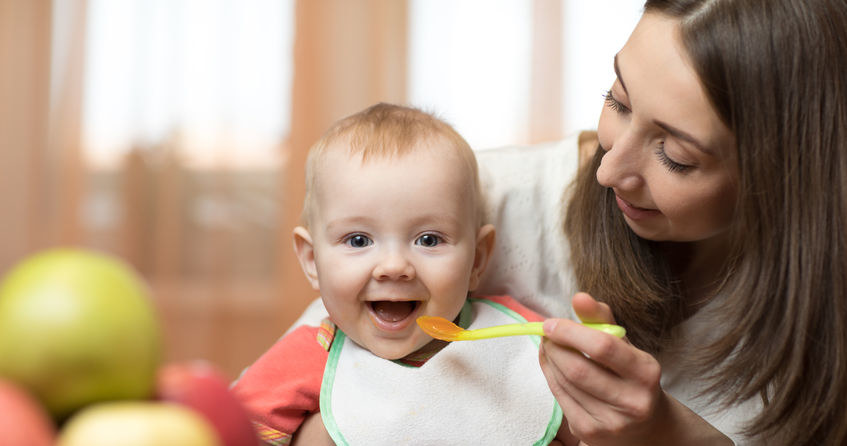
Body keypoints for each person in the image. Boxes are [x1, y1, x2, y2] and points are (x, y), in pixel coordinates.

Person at [291, 0, 847, 444]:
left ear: (786, 175)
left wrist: (671, 438)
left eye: (675, 155)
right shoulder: (462, 203)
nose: (607, 170)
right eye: (618, 100)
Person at [232, 103, 576, 445]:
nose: (394, 266)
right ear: (311, 260)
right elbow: (230, 431)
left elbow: (590, 425)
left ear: (477, 260)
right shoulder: (311, 356)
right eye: (358, 240)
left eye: (428, 240)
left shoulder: (519, 338)